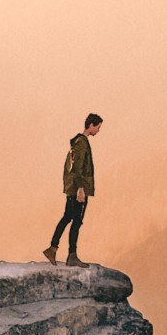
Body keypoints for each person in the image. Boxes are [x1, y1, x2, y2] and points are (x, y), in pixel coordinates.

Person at [45, 113, 102, 267]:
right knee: (76, 220)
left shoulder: (76, 142)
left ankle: (53, 247)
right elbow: (78, 168)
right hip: (78, 189)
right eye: (97, 127)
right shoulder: (82, 143)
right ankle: (72, 255)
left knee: (67, 217)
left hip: (72, 187)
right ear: (91, 125)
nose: (98, 130)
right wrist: (81, 189)